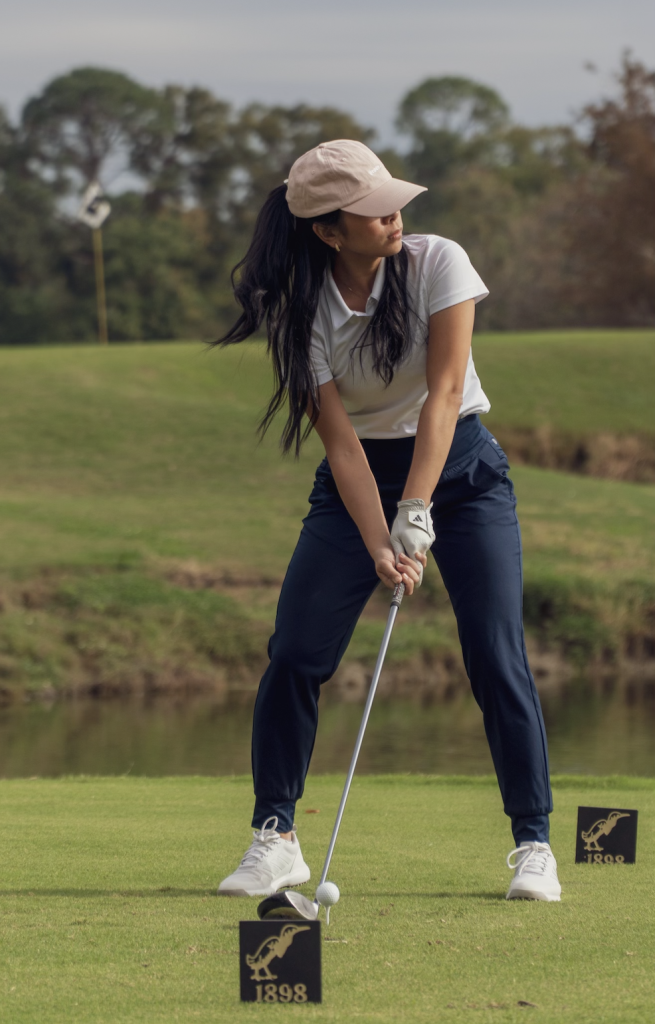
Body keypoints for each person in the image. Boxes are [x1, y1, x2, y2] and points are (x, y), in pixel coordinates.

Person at [213, 140, 560, 903]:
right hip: (355, 486)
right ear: (328, 231)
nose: (394, 216)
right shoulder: (302, 311)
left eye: (393, 200)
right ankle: (276, 837)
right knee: (296, 652)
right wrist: (379, 541)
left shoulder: (439, 261)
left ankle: (534, 843)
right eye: (372, 210)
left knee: (495, 654)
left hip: (463, 475)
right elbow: (338, 441)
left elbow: (442, 396)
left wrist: (418, 508)